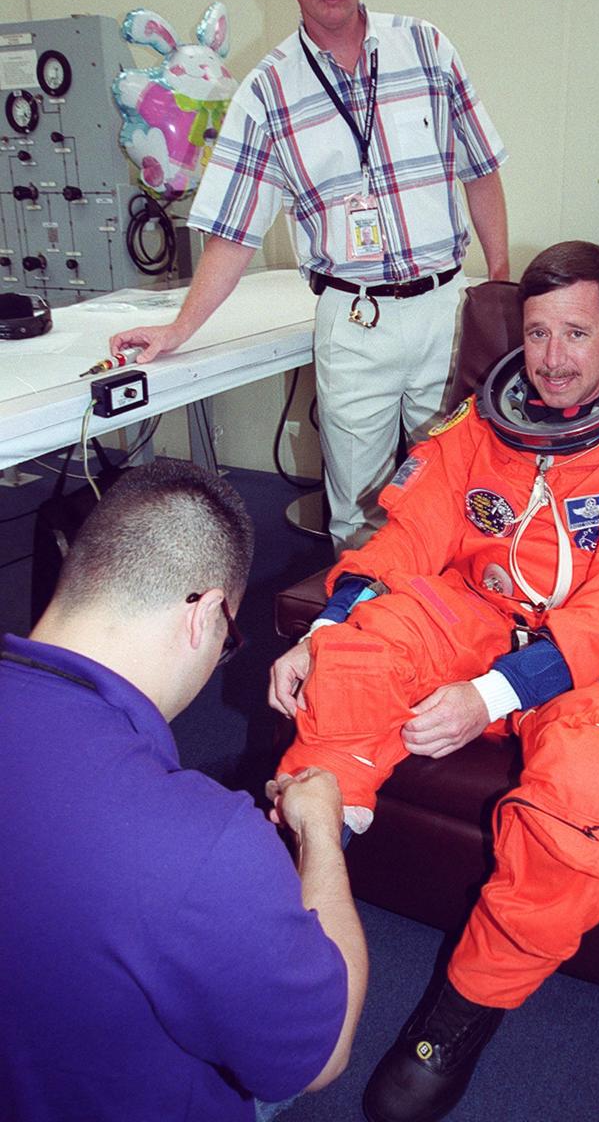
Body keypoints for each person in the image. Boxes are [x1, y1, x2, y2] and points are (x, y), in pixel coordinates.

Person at [266, 242, 599, 1122]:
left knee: (590, 792)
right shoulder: (479, 422)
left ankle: (462, 1010)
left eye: (576, 332)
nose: (553, 358)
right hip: (482, 613)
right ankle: (295, 894)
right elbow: (406, 537)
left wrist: (496, 694)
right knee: (356, 657)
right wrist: (324, 628)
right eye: (538, 333)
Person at [110, 0, 509, 551]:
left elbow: (481, 168)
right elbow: (233, 234)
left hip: (447, 313)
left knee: (460, 496)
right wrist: (178, 329)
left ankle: (444, 616)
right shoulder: (266, 93)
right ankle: (363, 616)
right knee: (358, 516)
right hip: (355, 323)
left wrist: (498, 284)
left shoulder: (426, 48)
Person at [0, 459, 367, 1122]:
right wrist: (319, 834)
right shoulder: (203, 842)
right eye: (230, 638)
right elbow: (324, 1058)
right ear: (204, 614)